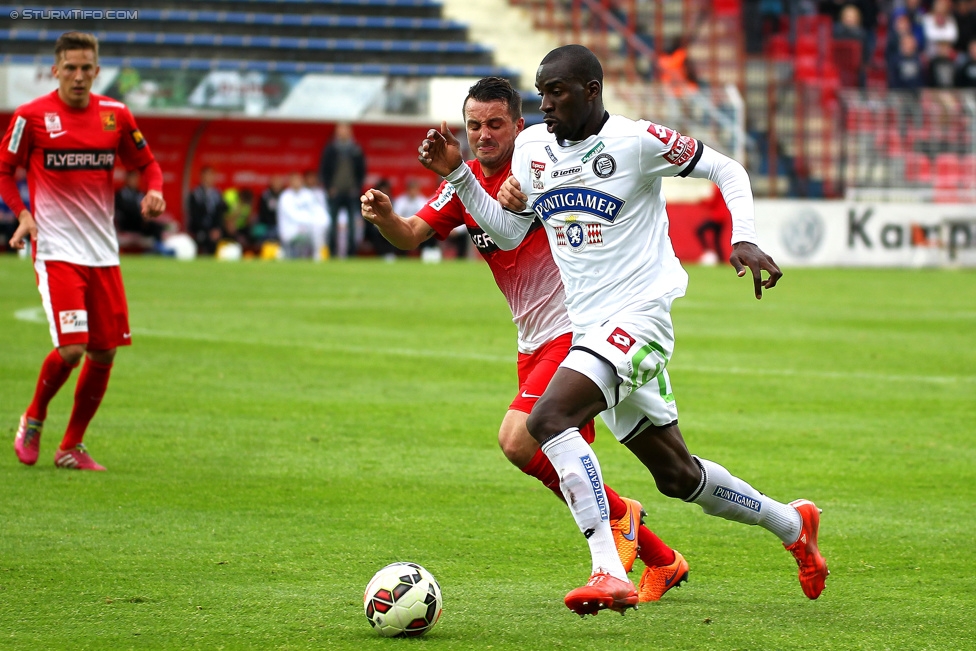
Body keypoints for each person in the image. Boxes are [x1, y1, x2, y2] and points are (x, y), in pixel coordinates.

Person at [418, 45, 828, 616]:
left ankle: (608, 569)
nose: (547, 104)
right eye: (541, 92)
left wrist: (743, 235)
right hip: (592, 329)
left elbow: (725, 168)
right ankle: (793, 523)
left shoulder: (637, 142)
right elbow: (509, 234)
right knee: (678, 477)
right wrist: (462, 176)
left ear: (592, 90)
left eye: (557, 92)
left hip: (640, 318)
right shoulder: (534, 147)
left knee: (546, 419)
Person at [361, 76, 689, 604]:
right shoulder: (463, 183)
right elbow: (410, 235)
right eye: (473, 126)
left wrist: (498, 187)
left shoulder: (540, 169)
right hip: (531, 340)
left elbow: (518, 222)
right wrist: (384, 219)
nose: (483, 135)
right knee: (557, 462)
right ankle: (660, 557)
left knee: (519, 439)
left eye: (495, 124)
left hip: (577, 330)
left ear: (520, 124)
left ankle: (614, 553)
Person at [0, 31, 166, 471]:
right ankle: (33, 417)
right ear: (54, 71)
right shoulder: (30, 117)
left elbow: (147, 164)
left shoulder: (115, 115)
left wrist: (154, 191)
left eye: (86, 67)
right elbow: (3, 171)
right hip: (56, 251)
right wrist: (21, 214)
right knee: (72, 349)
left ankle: (70, 446)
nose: (78, 76)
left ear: (97, 70)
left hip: (103, 253)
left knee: (105, 352)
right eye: (69, 68)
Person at [320, 122, 366, 258]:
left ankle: (352, 253)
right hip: (335, 192)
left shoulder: (356, 149)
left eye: (345, 130)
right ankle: (332, 252)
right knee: (332, 224)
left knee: (352, 225)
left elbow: (361, 172)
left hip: (351, 193)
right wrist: (329, 188)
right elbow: (324, 171)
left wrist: (356, 188)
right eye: (340, 130)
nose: (343, 133)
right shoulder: (331, 149)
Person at [277, 171, 329, 260]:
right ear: (290, 182)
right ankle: (283, 251)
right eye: (294, 180)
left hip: (307, 227)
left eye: (298, 180)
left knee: (319, 226)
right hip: (290, 228)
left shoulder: (307, 194)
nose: (297, 183)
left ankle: (317, 254)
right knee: (307, 227)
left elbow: (317, 210)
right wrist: (309, 220)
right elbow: (293, 216)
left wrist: (322, 221)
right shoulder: (285, 196)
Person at [187, 166, 226, 256]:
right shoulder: (195, 194)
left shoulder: (217, 194)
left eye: (212, 175)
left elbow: (219, 214)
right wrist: (208, 231)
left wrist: (217, 228)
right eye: (207, 175)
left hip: (214, 230)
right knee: (205, 239)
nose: (210, 178)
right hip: (199, 229)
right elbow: (195, 216)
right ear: (202, 176)